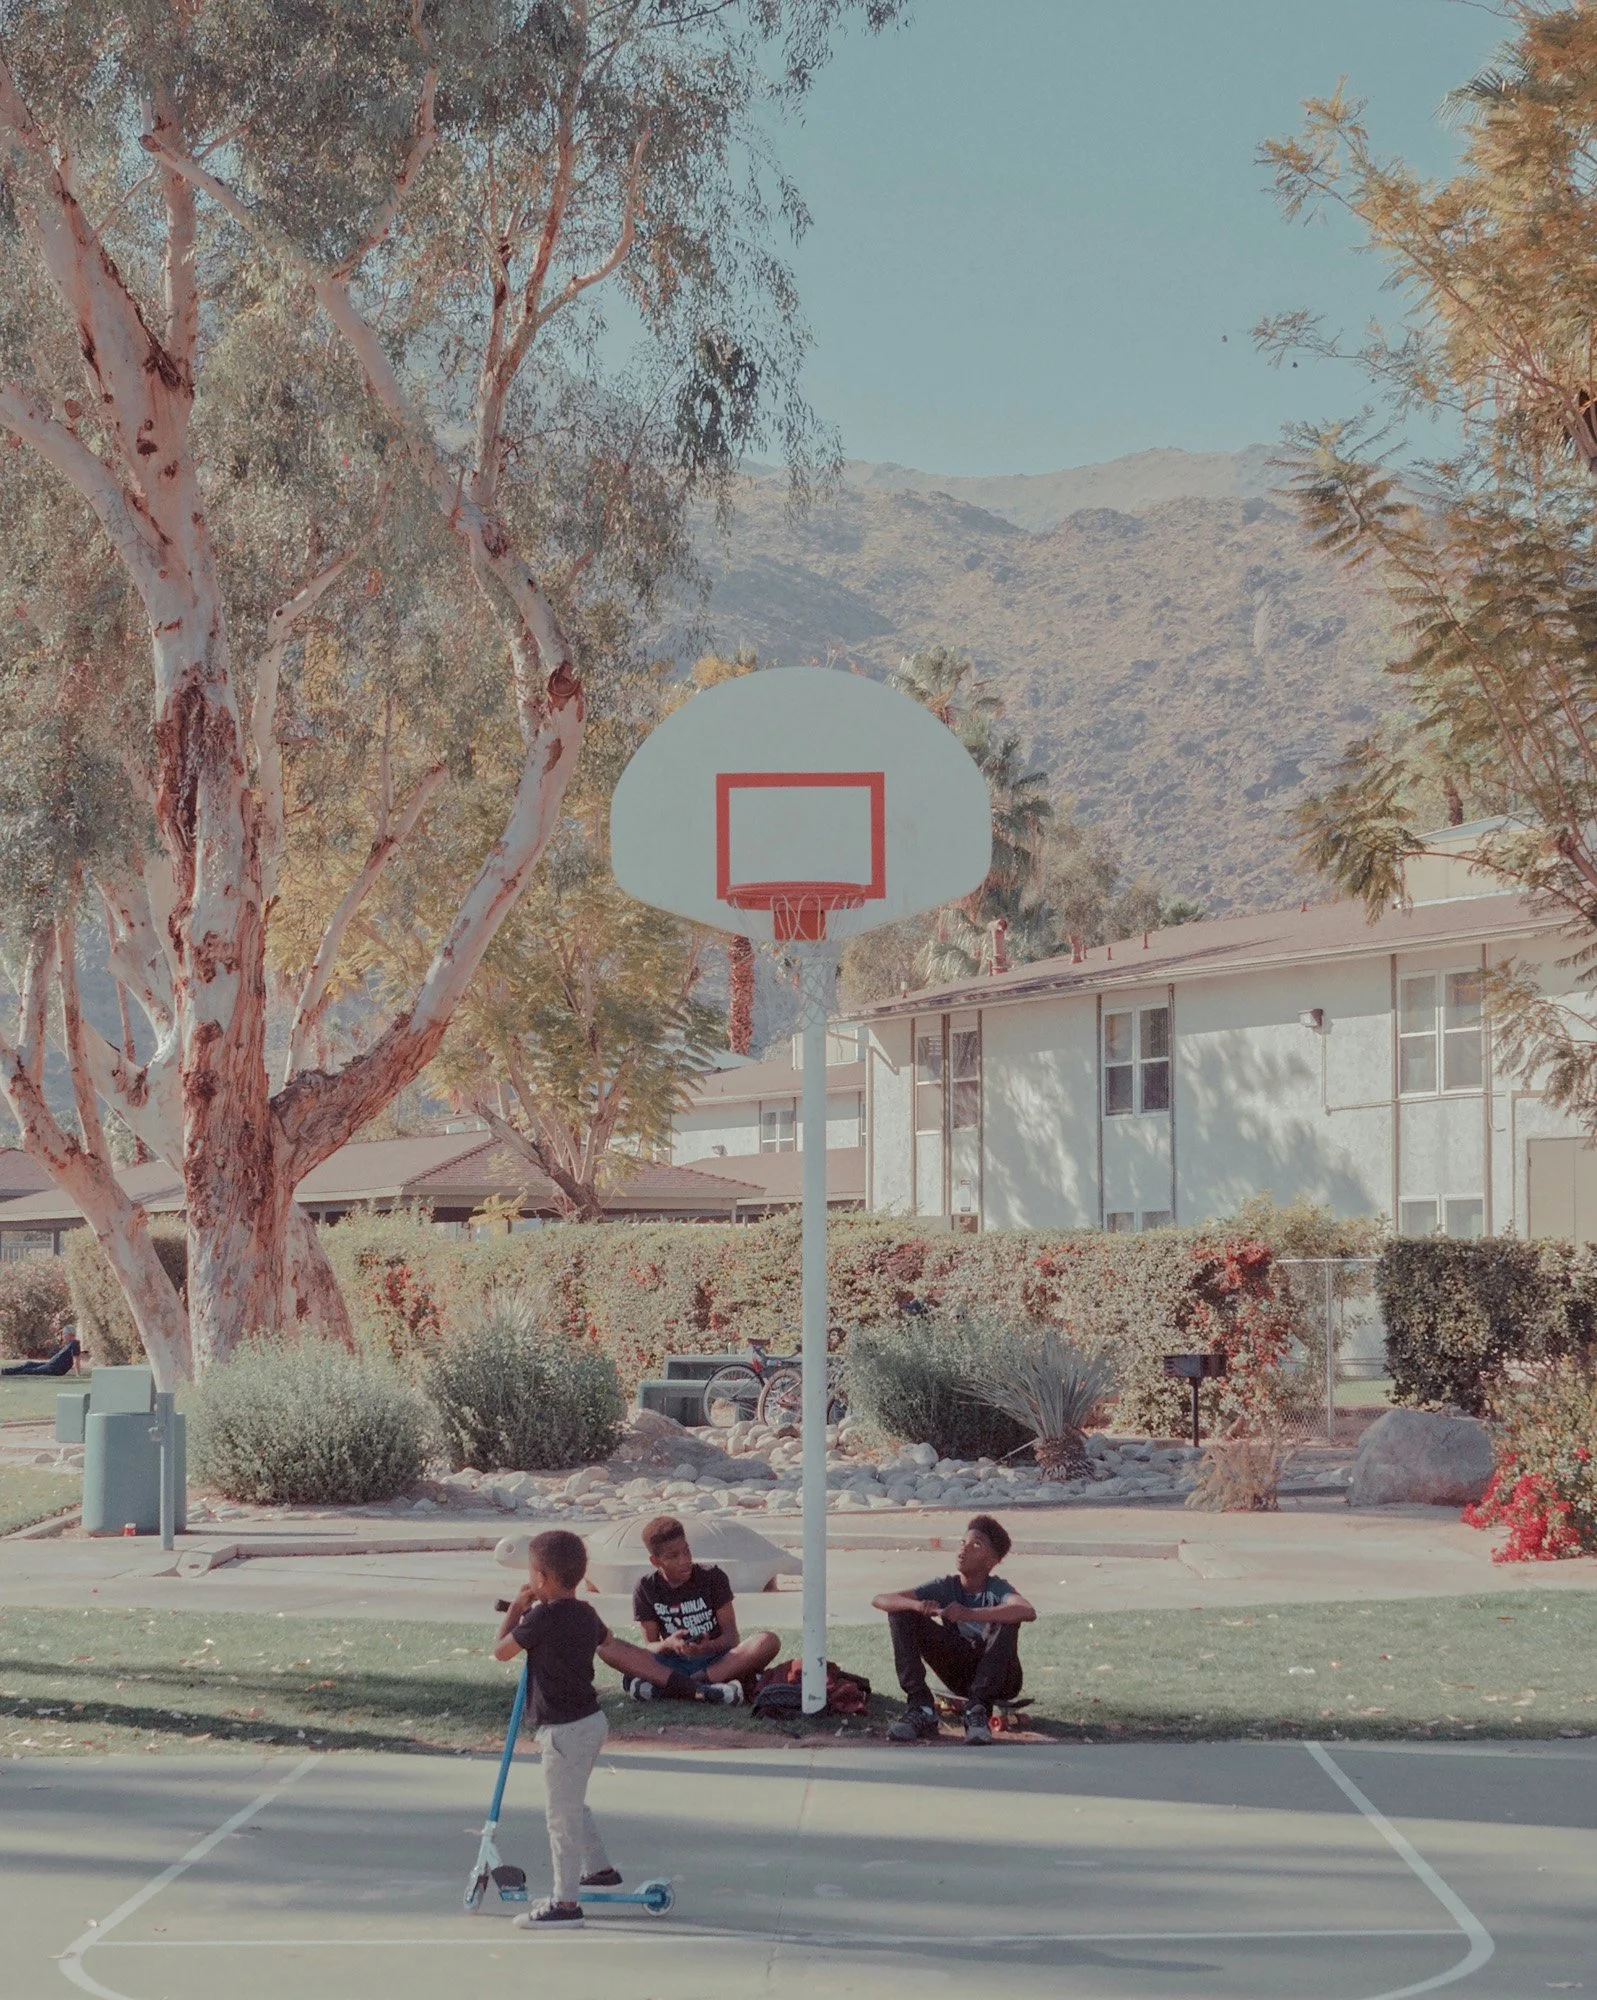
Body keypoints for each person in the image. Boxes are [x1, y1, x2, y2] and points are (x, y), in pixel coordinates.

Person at [492, 1528, 662, 1928]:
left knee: (561, 1817)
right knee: (572, 1801)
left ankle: (566, 1904)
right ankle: (600, 1869)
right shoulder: (585, 1612)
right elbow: (607, 1638)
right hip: (590, 1722)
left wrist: (516, 1609)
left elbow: (500, 1651)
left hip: (564, 1731)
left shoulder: (540, 1618)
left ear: (540, 1578)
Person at [871, 1514, 1036, 1745]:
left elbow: (1027, 1611)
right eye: (962, 1542)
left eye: (976, 1545)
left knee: (1005, 1619)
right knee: (901, 1612)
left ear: (992, 1561)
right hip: (961, 1675)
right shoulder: (946, 1586)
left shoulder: (997, 1588)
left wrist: (968, 1614)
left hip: (1001, 1678)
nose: (964, 1549)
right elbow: (880, 1599)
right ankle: (921, 1708)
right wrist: (918, 1606)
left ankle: (977, 1712)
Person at [621, 1514, 781, 1704]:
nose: (684, 1560)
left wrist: (707, 1646)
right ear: (655, 1561)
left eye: (686, 1551)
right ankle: (715, 1690)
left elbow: (731, 1638)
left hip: (715, 1661)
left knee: (768, 1641)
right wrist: (669, 1644)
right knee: (620, 1654)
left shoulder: (713, 1577)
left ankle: (684, 1686)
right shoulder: (646, 1587)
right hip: (674, 1663)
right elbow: (651, 1646)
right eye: (673, 1556)